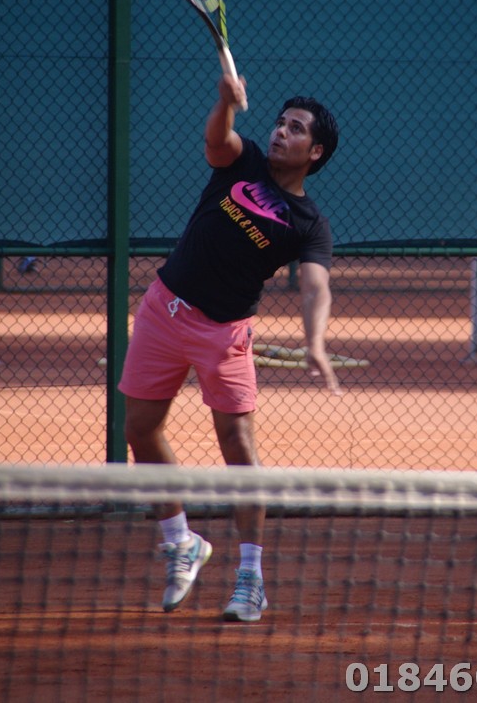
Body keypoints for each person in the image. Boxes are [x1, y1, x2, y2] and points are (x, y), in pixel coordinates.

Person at [118, 70, 340, 623]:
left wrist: (314, 341)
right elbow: (217, 140)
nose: (281, 132)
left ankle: (250, 579)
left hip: (223, 335)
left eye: (296, 129)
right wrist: (226, 103)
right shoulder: (245, 162)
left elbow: (316, 286)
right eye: (281, 123)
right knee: (139, 429)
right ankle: (181, 542)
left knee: (238, 446)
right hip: (164, 309)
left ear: (315, 152)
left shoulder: (309, 224)